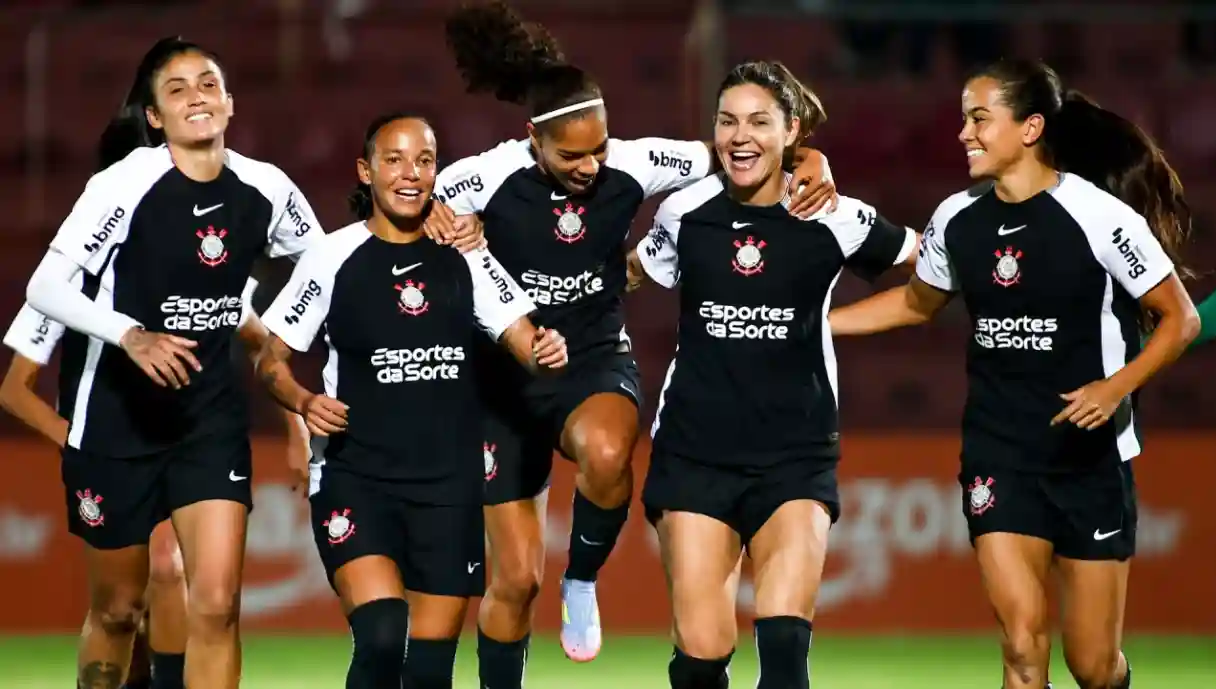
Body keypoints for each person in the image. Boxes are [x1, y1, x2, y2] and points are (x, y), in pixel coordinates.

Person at [435, 1, 838, 673]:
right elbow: (421, 210)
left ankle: (584, 576)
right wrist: (452, 228)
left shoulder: (639, 161)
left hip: (591, 356)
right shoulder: (479, 178)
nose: (592, 163)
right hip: (502, 381)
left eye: (599, 146)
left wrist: (812, 155)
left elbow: (742, 151)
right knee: (512, 580)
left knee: (606, 449)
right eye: (572, 154)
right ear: (533, 141)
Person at [827, 59, 1201, 689]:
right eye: (963, 119)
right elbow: (918, 302)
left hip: (1089, 459)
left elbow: (1180, 320)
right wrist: (815, 325)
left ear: (1030, 128)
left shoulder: (1101, 216)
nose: (964, 134)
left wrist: (1115, 388)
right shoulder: (956, 218)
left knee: (1092, 665)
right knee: (1023, 644)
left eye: (979, 119)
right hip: (998, 452)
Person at [18, 36, 338, 689]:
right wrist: (130, 335)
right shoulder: (122, 185)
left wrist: (283, 354)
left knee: (215, 605)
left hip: (208, 422)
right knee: (117, 607)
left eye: (208, 83)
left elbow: (330, 268)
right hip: (114, 423)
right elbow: (43, 289)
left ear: (229, 101)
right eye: (177, 88)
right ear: (156, 117)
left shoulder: (266, 187)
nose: (197, 95)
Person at [627, 60, 917, 689]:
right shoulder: (684, 212)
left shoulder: (833, 215)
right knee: (702, 657)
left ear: (792, 133)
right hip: (694, 452)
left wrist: (829, 324)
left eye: (760, 122)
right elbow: (631, 273)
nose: (740, 136)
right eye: (727, 121)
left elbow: (932, 266)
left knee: (784, 655)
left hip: (795, 455)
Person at [255, 113, 567, 689]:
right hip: (357, 477)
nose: (410, 173)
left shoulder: (465, 256)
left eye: (424, 160)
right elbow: (268, 358)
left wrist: (548, 347)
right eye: (394, 159)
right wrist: (303, 401)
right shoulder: (332, 257)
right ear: (365, 170)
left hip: (447, 488)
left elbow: (526, 340)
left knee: (428, 673)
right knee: (380, 635)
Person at [0, 279, 308, 689]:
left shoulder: (197, 265)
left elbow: (259, 343)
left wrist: (296, 426)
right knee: (121, 610)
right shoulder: (69, 278)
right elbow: (14, 390)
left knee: (167, 569)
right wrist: (75, 440)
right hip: (109, 458)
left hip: (185, 446)